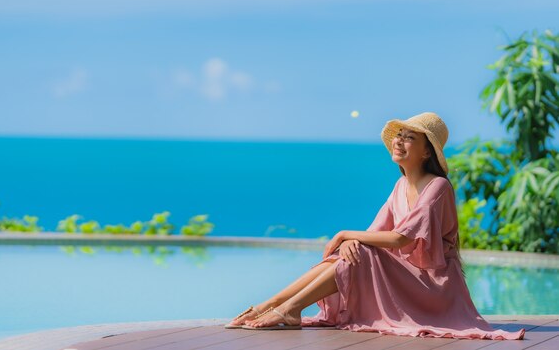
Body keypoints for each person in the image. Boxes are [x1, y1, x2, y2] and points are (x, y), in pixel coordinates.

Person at [224, 112, 525, 340]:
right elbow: (376, 231)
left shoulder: (438, 187)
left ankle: (287, 308)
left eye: (410, 138)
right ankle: (274, 304)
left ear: (426, 151)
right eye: (400, 135)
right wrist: (352, 242)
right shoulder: (400, 185)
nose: (399, 141)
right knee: (352, 252)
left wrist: (344, 234)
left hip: (433, 286)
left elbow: (398, 240)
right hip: (408, 276)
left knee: (357, 250)